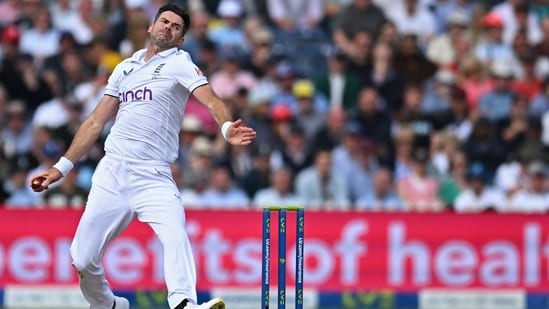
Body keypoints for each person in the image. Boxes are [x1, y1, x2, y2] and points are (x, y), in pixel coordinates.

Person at [29, 4, 256, 309]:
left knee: (175, 234)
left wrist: (227, 128)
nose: (168, 28)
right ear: (151, 27)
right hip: (113, 171)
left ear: (181, 39)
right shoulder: (125, 67)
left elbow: (212, 98)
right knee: (82, 259)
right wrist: (61, 167)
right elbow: (96, 121)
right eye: (164, 21)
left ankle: (184, 303)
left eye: (176, 27)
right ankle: (109, 305)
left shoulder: (180, 63)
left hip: (153, 175)